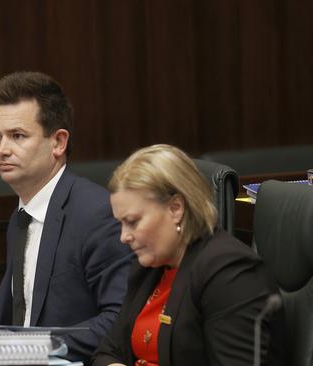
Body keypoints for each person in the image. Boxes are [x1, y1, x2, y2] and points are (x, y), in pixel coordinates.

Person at [92, 144, 283, 366]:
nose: (124, 237)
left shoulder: (231, 274)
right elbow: (106, 352)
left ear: (176, 208)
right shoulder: (149, 265)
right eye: (121, 224)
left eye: (132, 222)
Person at [0, 71, 133, 362]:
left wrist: (31, 346)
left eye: (17, 136)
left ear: (58, 143)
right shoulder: (22, 216)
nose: (2, 150)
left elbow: (120, 319)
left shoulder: (97, 214)